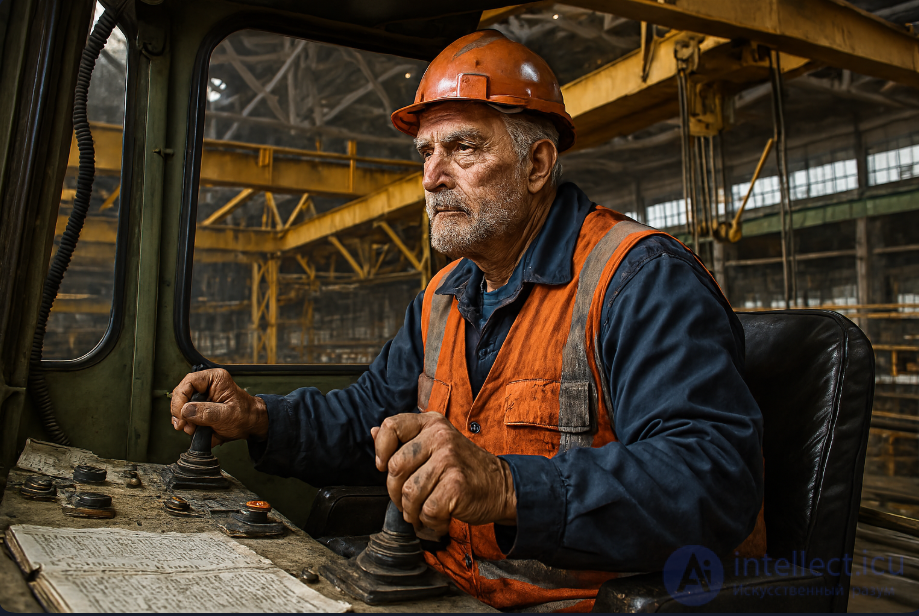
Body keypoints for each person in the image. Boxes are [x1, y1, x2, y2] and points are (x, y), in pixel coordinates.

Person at [170, 30, 765, 612]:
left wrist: (507, 486)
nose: (431, 177)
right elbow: (369, 419)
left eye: (463, 148)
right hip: (449, 588)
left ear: (537, 164)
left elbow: (712, 479)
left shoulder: (638, 281)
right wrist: (257, 416)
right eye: (426, 153)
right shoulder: (444, 297)